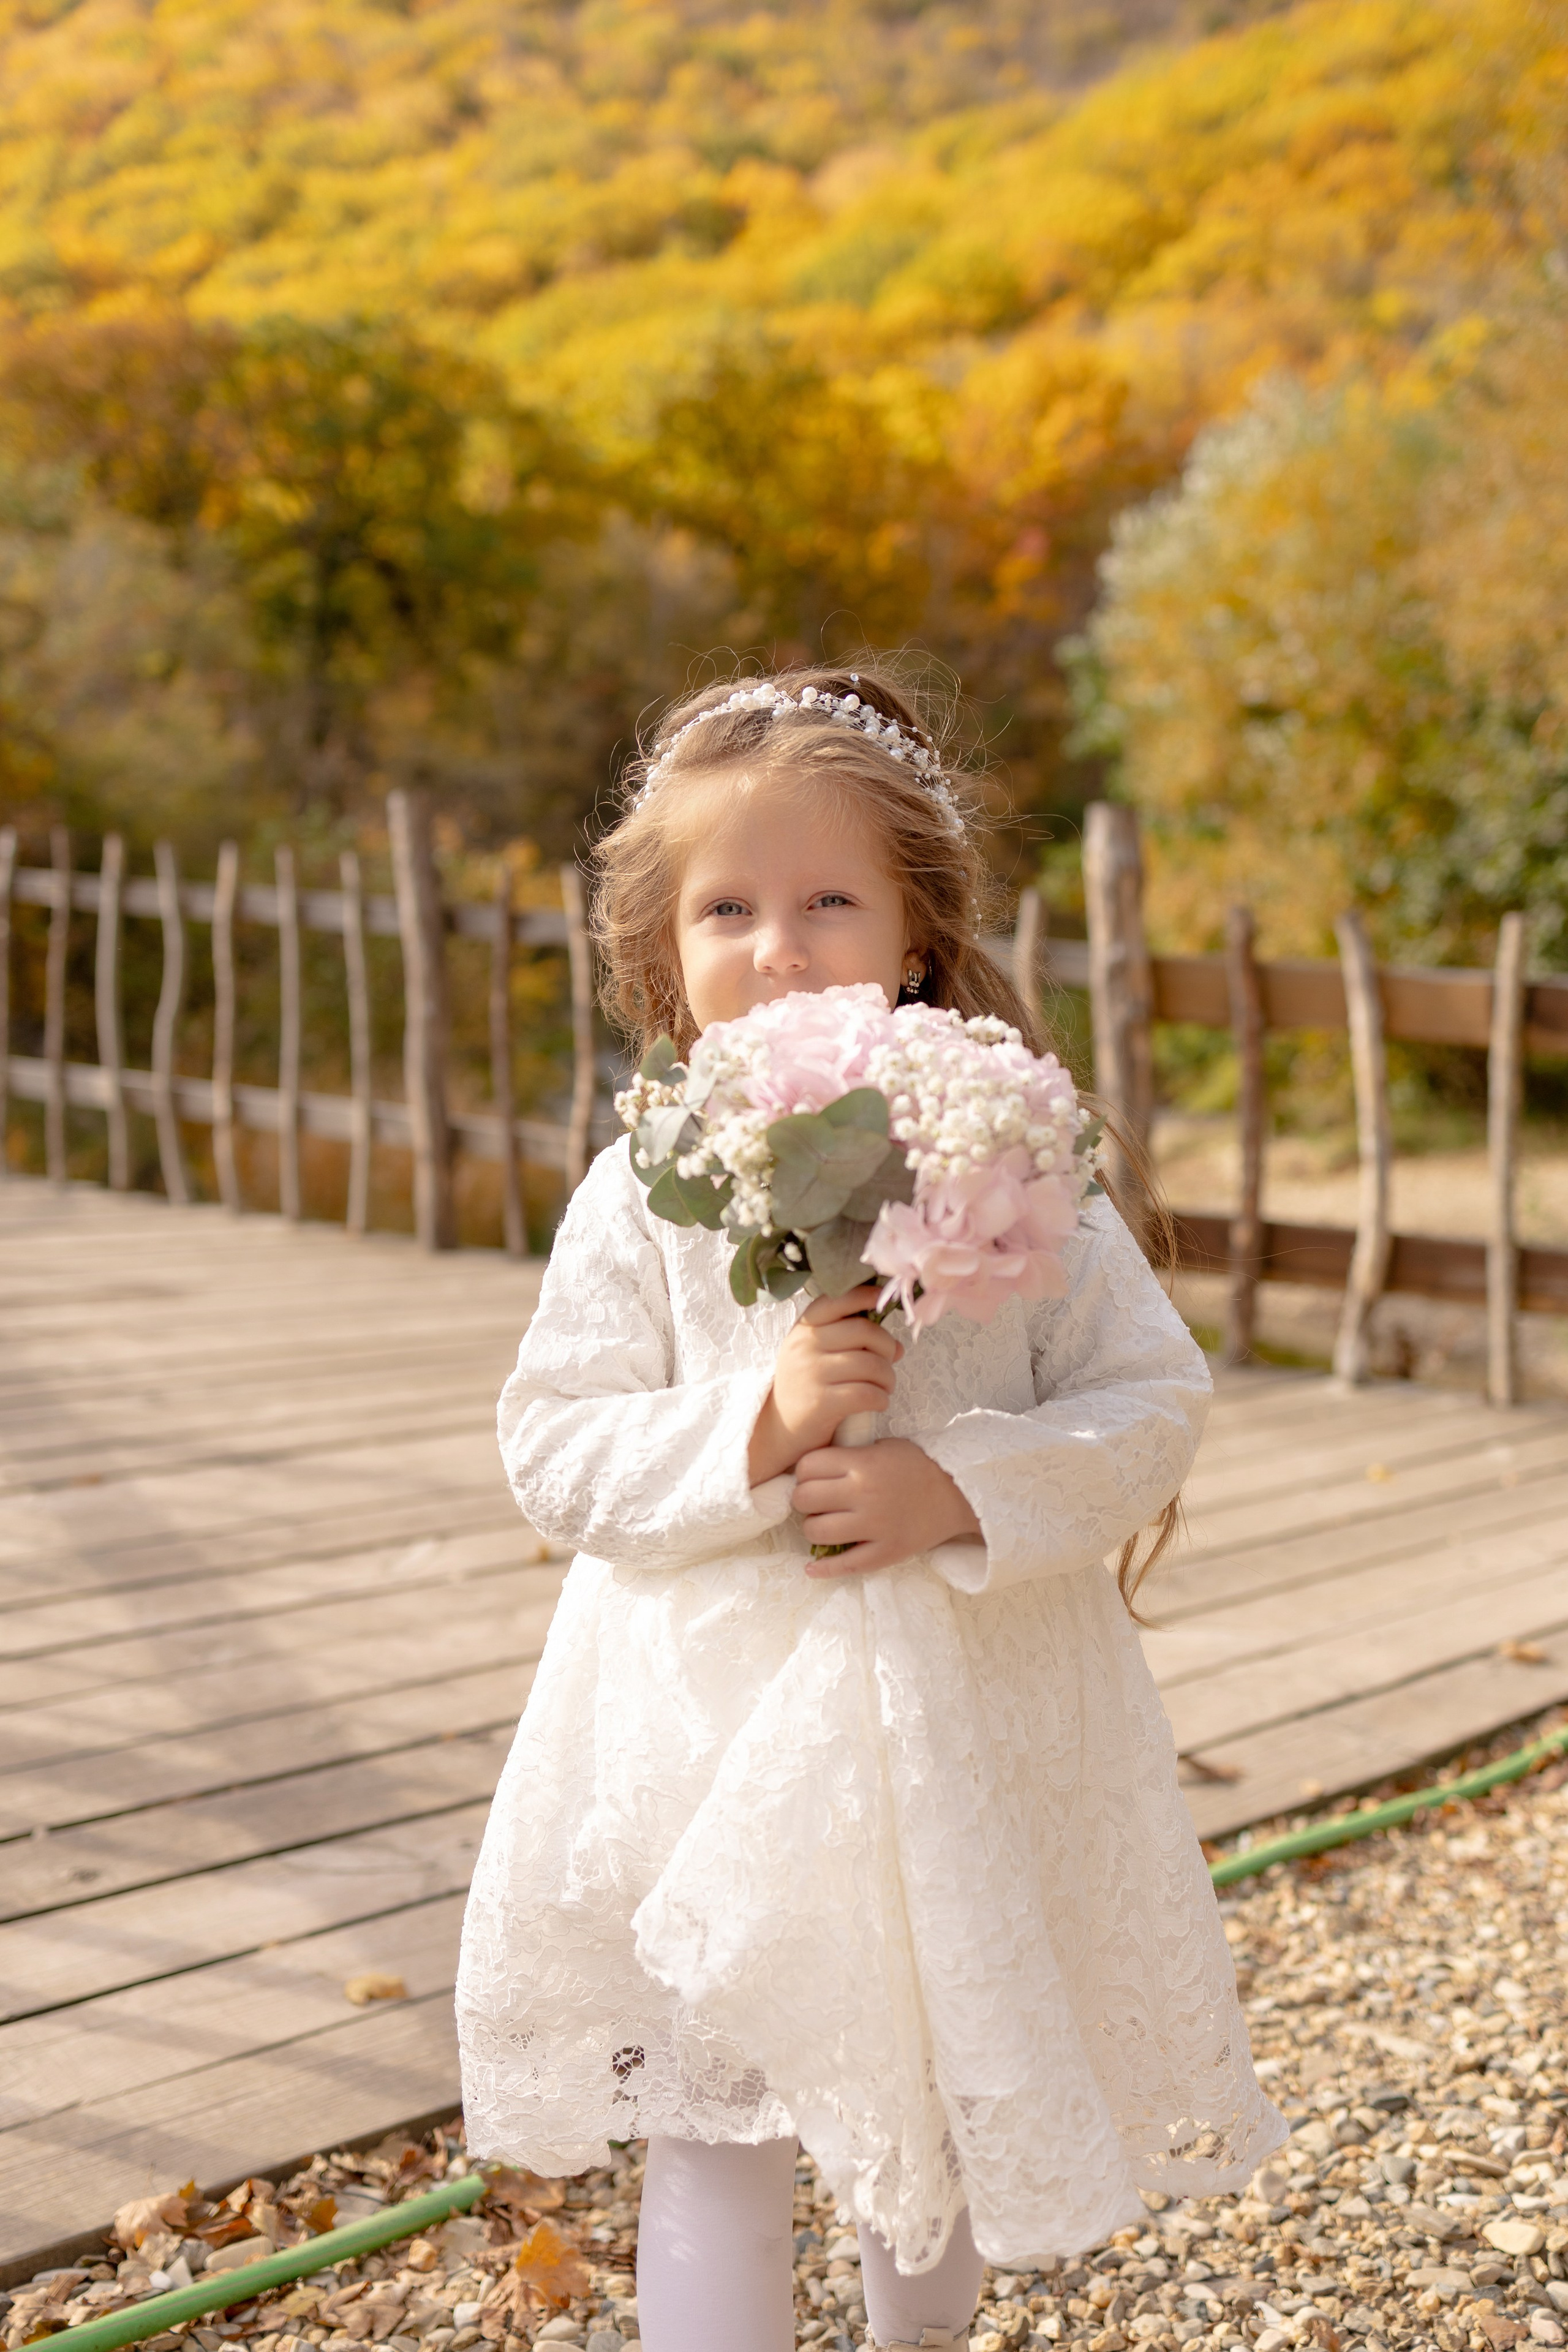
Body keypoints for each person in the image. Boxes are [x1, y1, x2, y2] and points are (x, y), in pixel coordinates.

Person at [456, 665, 1285, 2352]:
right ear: (661, 956)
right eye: (729, 908)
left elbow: (1152, 1398)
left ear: (913, 933)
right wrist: (754, 1423)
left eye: (829, 899)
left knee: (937, 2092)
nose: (782, 946)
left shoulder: (1011, 1158)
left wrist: (953, 1488)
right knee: (718, 2112)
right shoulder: (647, 1187)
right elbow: (552, 1443)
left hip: (956, 1734)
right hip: (706, 1740)